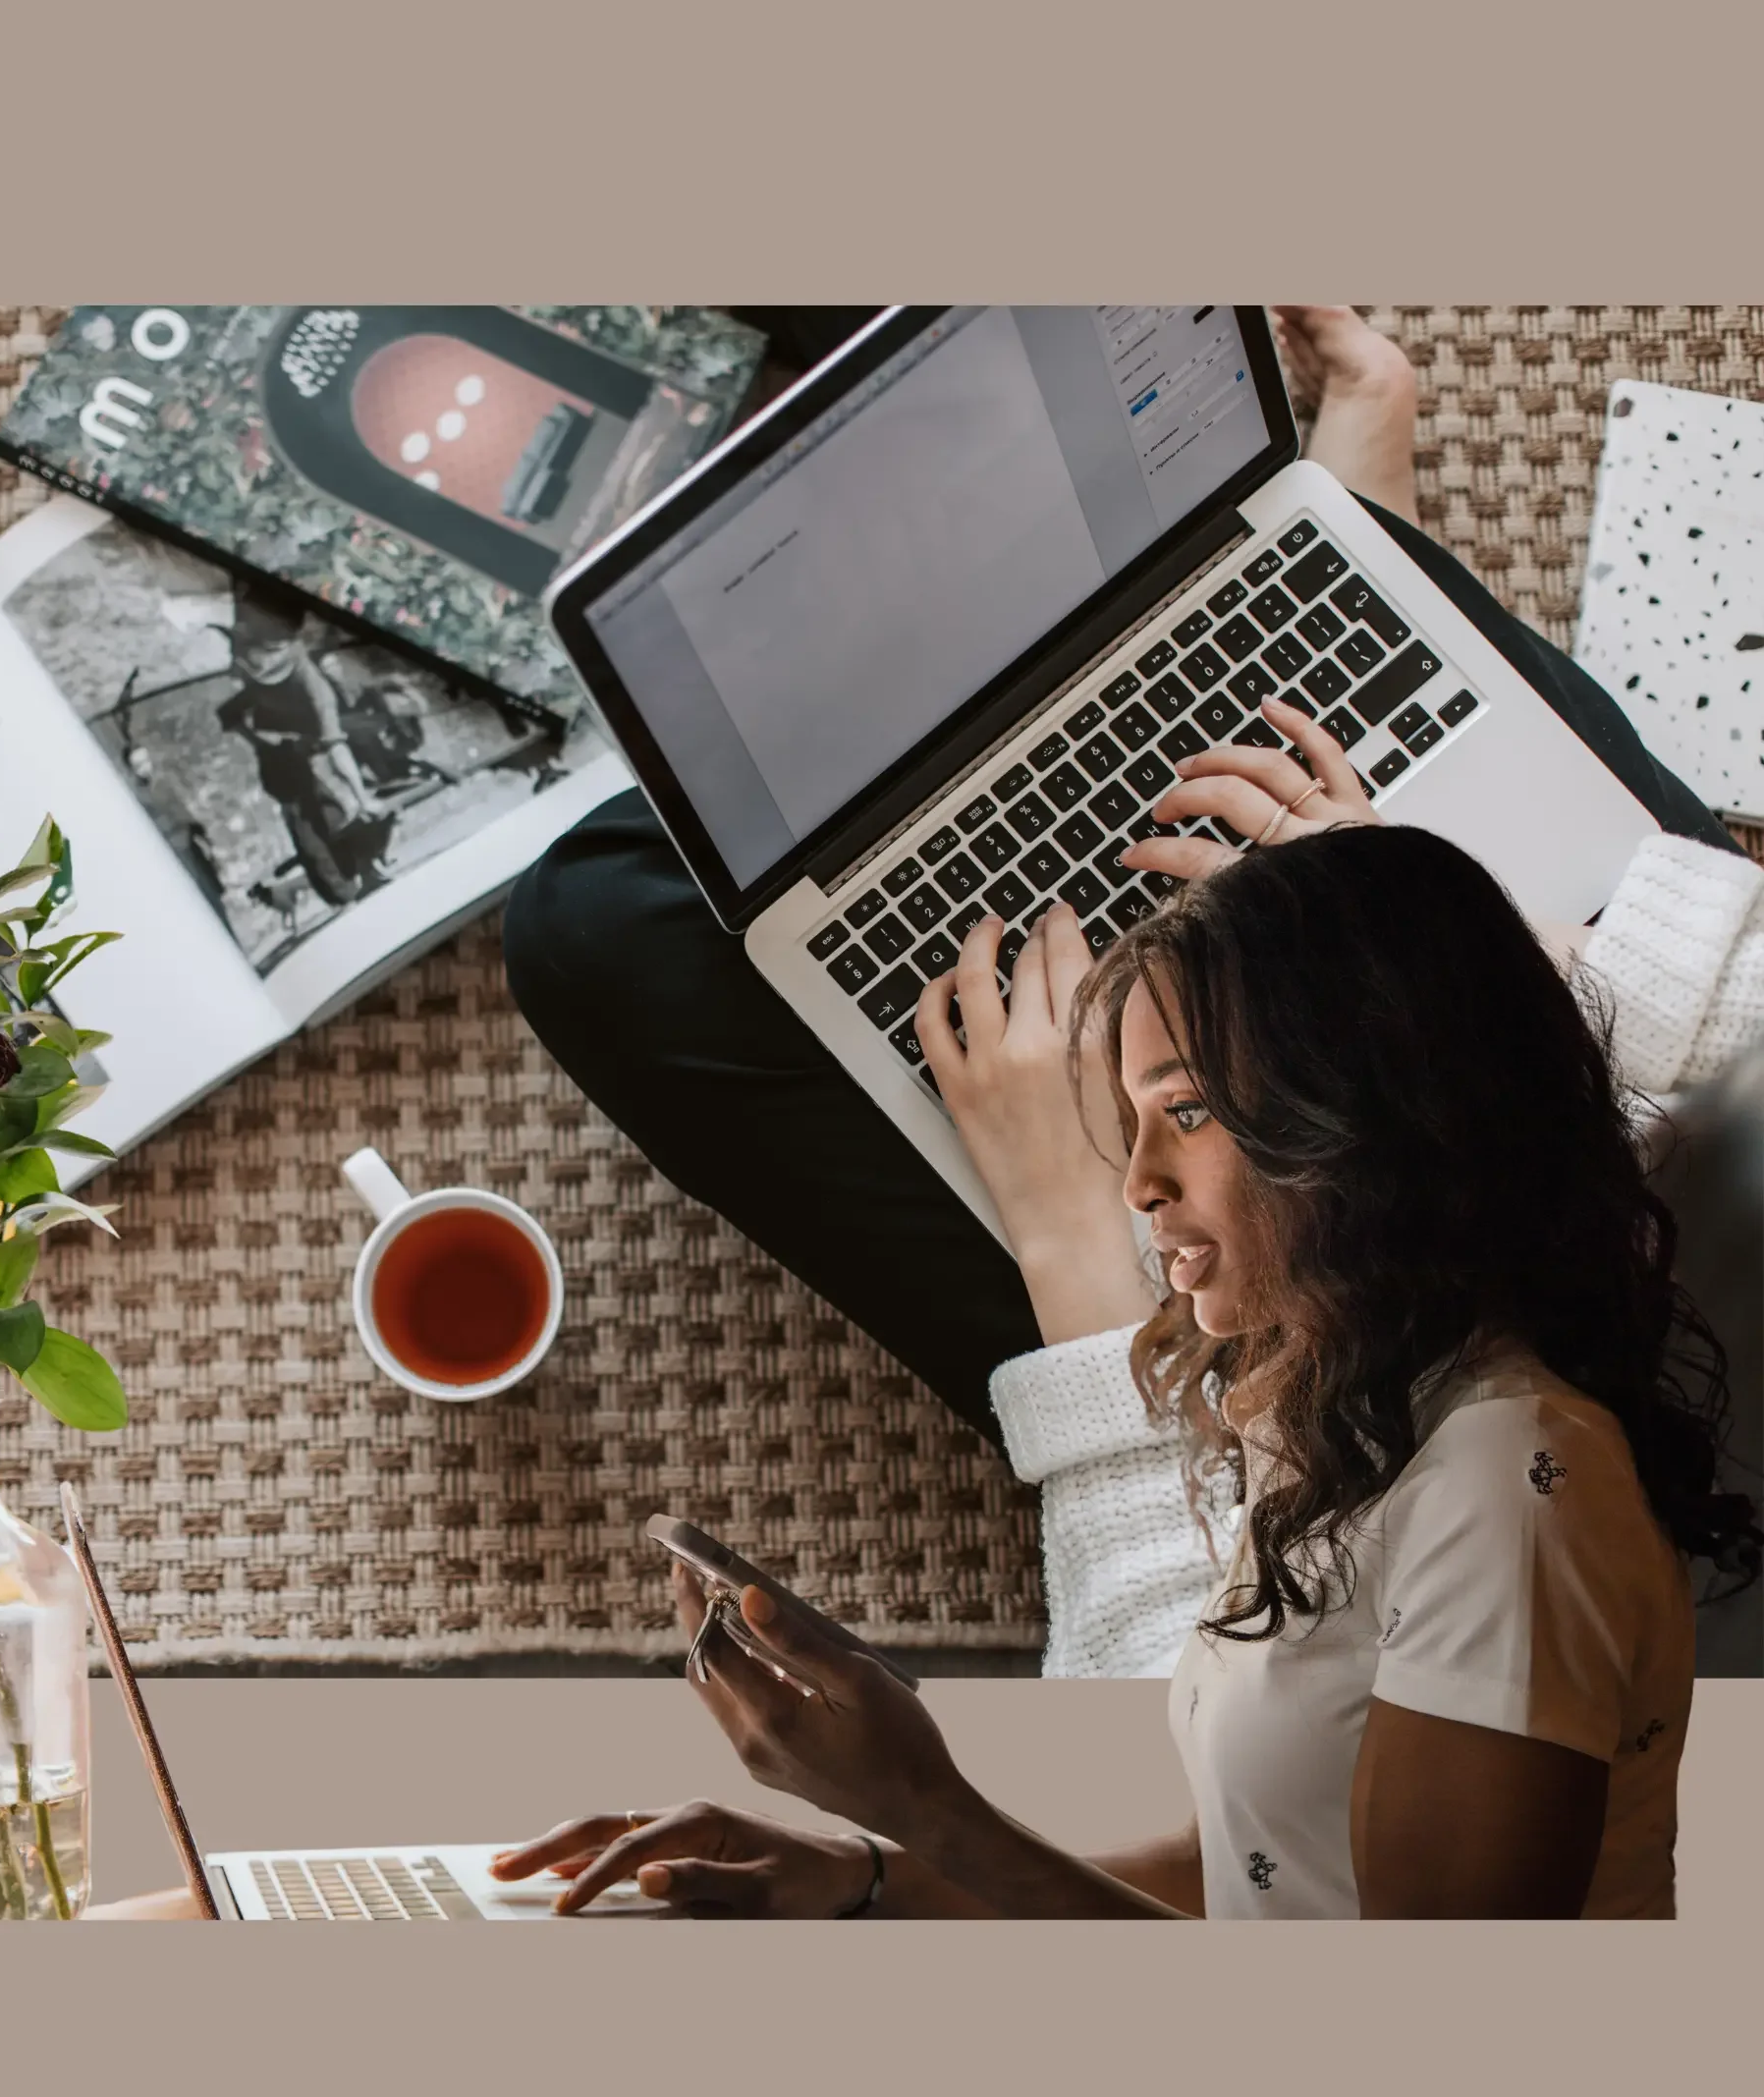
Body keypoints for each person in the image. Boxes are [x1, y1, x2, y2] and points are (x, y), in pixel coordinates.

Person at [502, 306, 1764, 1686]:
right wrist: (1434, 953)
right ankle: (1322, 550)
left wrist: (1074, 1239)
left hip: (1325, 1420)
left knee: (604, 917)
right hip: (1566, 1123)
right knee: (1330, 583)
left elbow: (1182, 1715)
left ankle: (1325, 550)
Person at [494, 805, 1754, 1917]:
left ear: (1372, 1115)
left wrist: (924, 1805)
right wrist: (872, 1875)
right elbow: (1268, 1867)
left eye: (1186, 1115)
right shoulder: (1346, 1396)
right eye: (1139, 1118)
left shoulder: (1505, 1493)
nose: (1136, 1185)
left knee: (607, 915)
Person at [216, 599, 394, 908]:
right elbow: (230, 713)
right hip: (283, 763)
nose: (256, 664)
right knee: (311, 834)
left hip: (315, 756)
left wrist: (361, 797)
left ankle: (364, 872)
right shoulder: (249, 648)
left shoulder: (315, 689)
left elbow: (336, 746)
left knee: (337, 815)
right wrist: (261, 741)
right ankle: (344, 890)